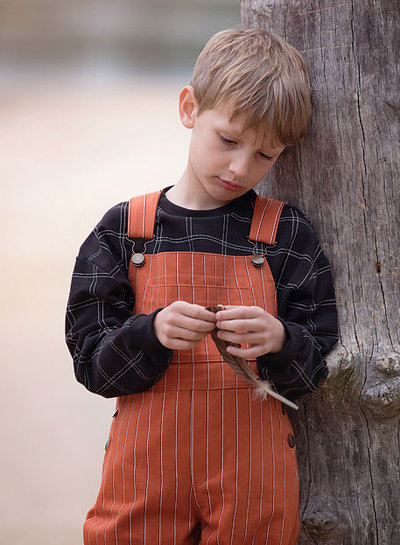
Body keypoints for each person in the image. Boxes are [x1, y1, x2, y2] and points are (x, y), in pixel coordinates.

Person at [66, 28, 338, 545]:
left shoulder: (286, 234)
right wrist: (151, 333)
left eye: (266, 155)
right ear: (190, 108)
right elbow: (92, 365)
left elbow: (314, 368)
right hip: (143, 483)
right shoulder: (125, 230)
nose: (241, 168)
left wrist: (280, 340)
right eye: (229, 141)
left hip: (251, 488)